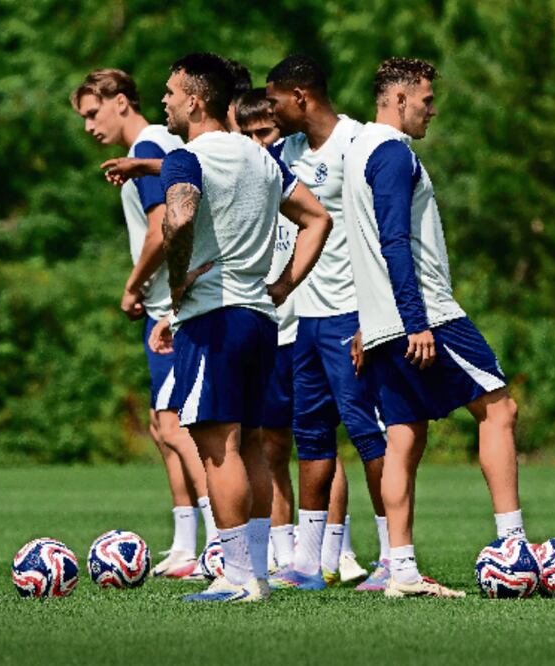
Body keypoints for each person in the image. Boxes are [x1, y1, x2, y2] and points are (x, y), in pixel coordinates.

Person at [148, 53, 332, 603]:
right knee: (251, 444)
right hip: (259, 320)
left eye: (170, 93)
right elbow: (318, 218)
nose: (164, 102)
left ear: (195, 100)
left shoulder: (186, 158)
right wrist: (281, 286)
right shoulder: (261, 158)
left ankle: (235, 575)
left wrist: (176, 283)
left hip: (214, 319)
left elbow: (179, 216)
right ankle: (256, 575)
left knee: (217, 448)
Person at [342, 58, 525, 599]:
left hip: (382, 325)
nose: (432, 110)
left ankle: (400, 570)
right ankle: (514, 549)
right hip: (427, 317)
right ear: (399, 99)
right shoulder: (392, 152)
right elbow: (393, 241)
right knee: (499, 410)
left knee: (404, 436)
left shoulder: (356, 151)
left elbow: (360, 245)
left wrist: (370, 321)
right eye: (425, 100)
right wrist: (415, 321)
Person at [70, 69, 216, 578]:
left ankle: (219, 541)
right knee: (163, 425)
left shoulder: (151, 144)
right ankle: (185, 545)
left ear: (121, 102)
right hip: (163, 307)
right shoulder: (148, 148)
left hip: (172, 307)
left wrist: (133, 285)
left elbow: (162, 228)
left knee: (177, 425)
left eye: (93, 113)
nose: (89, 126)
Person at [264, 55, 387, 592]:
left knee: (368, 436)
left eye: (274, 101)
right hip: (306, 322)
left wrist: (376, 317)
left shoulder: (356, 144)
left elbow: (384, 233)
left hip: (352, 315)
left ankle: (394, 557)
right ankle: (308, 565)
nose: (270, 111)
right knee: (311, 438)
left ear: (300, 96)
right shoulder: (286, 151)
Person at [233, 89, 298, 573]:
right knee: (268, 446)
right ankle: (281, 548)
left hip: (309, 324)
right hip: (266, 328)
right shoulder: (245, 184)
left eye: (266, 133)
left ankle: (334, 551)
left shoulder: (295, 182)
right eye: (249, 135)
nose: (260, 143)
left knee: (318, 442)